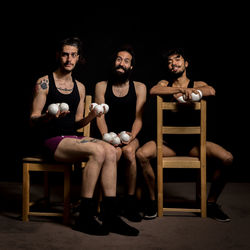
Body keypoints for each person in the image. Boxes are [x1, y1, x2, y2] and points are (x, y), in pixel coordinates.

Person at [29, 37, 139, 236]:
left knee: (111, 150)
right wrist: (48, 115)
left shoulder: (79, 87)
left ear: (78, 58)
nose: (69, 59)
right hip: (50, 141)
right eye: (65, 54)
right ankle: (85, 218)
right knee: (98, 150)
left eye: (73, 55)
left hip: (71, 139)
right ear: (58, 56)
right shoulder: (44, 82)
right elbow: (33, 118)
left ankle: (110, 216)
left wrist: (91, 116)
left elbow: (77, 123)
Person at [136, 48, 233, 222]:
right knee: (141, 154)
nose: (173, 63)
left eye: (177, 59)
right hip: (168, 145)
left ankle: (211, 203)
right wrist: (179, 91)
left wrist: (194, 91)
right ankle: (152, 202)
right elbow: (153, 90)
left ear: (186, 63)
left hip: (195, 146)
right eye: (170, 62)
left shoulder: (197, 83)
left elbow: (211, 90)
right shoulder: (166, 83)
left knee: (227, 158)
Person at [94, 44, 147, 222]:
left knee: (129, 152)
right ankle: (107, 203)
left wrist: (131, 136)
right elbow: (100, 116)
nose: (121, 63)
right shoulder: (101, 86)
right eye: (118, 59)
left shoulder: (140, 87)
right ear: (113, 63)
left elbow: (139, 118)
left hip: (131, 134)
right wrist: (107, 137)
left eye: (126, 61)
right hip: (108, 134)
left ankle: (130, 202)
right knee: (113, 154)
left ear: (131, 67)